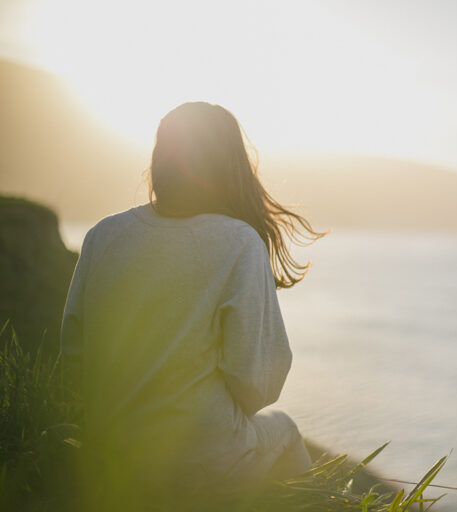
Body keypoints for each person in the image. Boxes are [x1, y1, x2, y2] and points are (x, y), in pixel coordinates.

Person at [60, 102, 323, 508]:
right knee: (285, 431)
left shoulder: (102, 235)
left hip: (109, 454)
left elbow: (74, 357)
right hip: (197, 462)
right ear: (231, 165)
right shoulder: (238, 242)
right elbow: (258, 384)